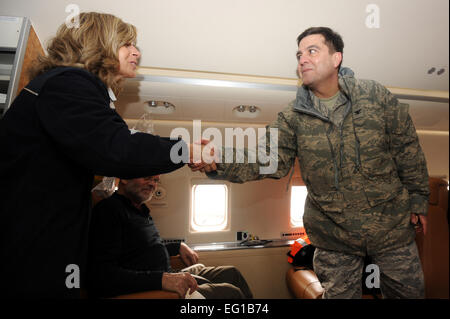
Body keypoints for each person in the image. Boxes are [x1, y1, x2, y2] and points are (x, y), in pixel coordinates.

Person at [191, 27, 430, 299]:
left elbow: (407, 147)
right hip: (334, 238)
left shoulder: (375, 96)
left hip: (391, 230)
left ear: (336, 58)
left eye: (312, 51)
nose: (302, 59)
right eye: (299, 54)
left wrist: (419, 200)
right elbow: (267, 159)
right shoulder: (292, 116)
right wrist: (219, 156)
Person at [0, 12, 198, 298]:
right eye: (127, 43)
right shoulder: (69, 82)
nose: (136, 52)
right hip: (28, 252)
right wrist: (186, 150)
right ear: (100, 44)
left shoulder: (69, 90)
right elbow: (119, 149)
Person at [88, 175, 253, 299]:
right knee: (231, 293)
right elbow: (102, 276)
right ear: (124, 178)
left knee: (232, 274)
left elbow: (144, 249)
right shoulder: (109, 211)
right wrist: (161, 279)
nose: (152, 184)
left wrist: (177, 246)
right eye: (147, 178)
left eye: (155, 180)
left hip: (167, 275)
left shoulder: (140, 210)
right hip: (153, 288)